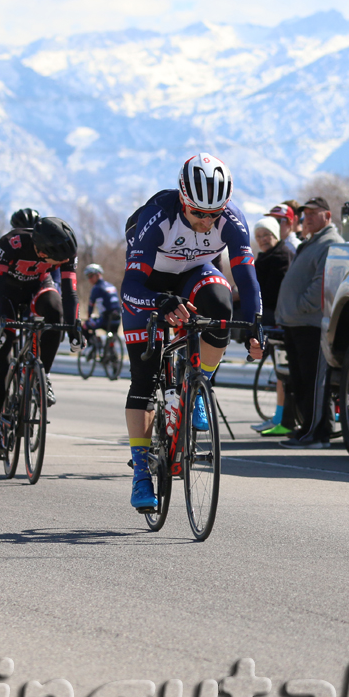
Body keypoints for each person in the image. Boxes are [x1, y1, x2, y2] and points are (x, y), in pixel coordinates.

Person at [121, 153, 263, 512]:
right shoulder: (157, 217)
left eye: (213, 214)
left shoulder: (231, 220)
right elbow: (130, 286)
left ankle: (200, 384)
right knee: (143, 377)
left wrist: (254, 324)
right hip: (151, 285)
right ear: (183, 200)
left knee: (220, 300)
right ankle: (141, 470)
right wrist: (160, 304)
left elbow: (246, 277)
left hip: (195, 274)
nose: (205, 221)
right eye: (198, 213)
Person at [0, 216, 80, 459]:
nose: (61, 264)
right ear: (40, 250)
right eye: (56, 260)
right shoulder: (10, 244)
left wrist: (74, 325)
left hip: (37, 288)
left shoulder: (67, 248)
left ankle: (43, 376)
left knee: (56, 311)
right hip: (5, 294)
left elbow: (69, 291)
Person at [276, 196, 340, 449]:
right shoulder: (311, 242)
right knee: (301, 381)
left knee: (314, 381)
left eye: (314, 213)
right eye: (306, 213)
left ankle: (316, 433)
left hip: (311, 324)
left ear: (328, 216)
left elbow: (321, 283)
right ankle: (310, 429)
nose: (308, 217)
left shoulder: (330, 243)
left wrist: (301, 305)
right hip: (296, 323)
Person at [250, 215, 294, 436]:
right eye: (259, 236)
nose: (263, 239)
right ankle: (280, 417)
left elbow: (270, 293)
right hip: (271, 321)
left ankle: (283, 418)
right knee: (280, 374)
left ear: (275, 235)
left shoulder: (282, 257)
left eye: (266, 235)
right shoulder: (266, 257)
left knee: (282, 374)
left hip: (279, 323)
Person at [83, 263, 121, 336]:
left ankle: (91, 345)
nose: (89, 279)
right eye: (88, 277)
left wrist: (88, 318)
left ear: (98, 274)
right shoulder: (111, 286)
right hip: (117, 320)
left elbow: (91, 306)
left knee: (84, 326)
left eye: (91, 276)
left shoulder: (97, 288)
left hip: (105, 321)